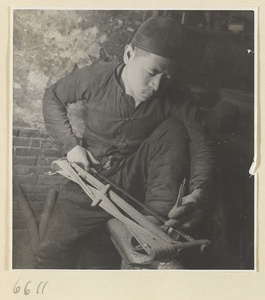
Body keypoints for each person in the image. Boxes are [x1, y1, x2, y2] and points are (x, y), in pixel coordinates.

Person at [36, 16, 214, 269]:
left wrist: (198, 190)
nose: (157, 85)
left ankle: (154, 220)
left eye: (168, 77)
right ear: (129, 54)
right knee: (51, 253)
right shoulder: (97, 76)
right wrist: (71, 145)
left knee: (174, 128)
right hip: (91, 177)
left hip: (136, 182)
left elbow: (200, 142)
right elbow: (52, 96)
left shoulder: (176, 93)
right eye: (151, 73)